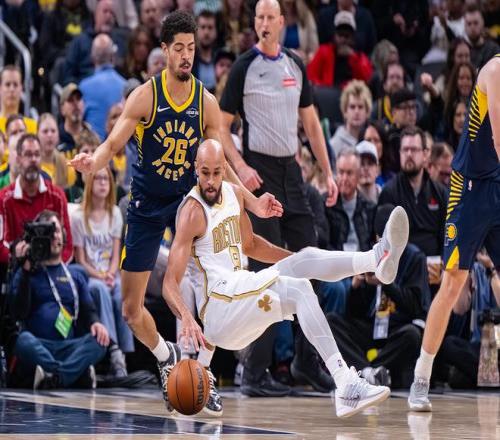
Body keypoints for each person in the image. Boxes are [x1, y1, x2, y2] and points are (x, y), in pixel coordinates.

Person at [69, 10, 282, 412]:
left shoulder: (206, 102)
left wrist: (252, 201)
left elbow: (221, 166)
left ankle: (203, 372)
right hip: (148, 204)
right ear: (165, 50)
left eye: (191, 48)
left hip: (190, 202)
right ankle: (166, 357)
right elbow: (112, 144)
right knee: (131, 310)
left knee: (217, 287)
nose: (186, 55)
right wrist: (93, 162)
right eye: (179, 48)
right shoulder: (145, 96)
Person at [162, 139, 410, 418]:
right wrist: (186, 316)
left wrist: (297, 262)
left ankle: (376, 260)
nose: (210, 181)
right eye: (204, 172)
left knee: (305, 258)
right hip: (219, 309)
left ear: (224, 169)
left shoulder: (234, 194)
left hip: (240, 299)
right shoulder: (192, 212)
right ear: (196, 168)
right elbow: (169, 282)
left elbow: (250, 245)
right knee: (301, 289)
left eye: (216, 172)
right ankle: (345, 385)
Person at [220, 0, 337, 396]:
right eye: (260, 17)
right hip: (258, 170)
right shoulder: (243, 67)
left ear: (283, 23)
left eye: (271, 17)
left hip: (292, 171)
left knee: (310, 261)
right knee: (266, 271)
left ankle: (307, 360)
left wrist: (328, 171)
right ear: (254, 23)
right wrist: (240, 166)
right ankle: (255, 372)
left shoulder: (295, 65)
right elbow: (221, 127)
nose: (266, 23)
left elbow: (311, 124)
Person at [408, 54, 500, 412]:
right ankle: (421, 377)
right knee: (452, 283)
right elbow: (498, 141)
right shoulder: (495, 70)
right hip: (471, 188)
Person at [11, 210, 109, 390]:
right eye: (47, 232)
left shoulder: (76, 273)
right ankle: (72, 373)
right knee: (22, 340)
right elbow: (19, 313)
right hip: (40, 346)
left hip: (70, 347)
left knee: (99, 341)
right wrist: (24, 270)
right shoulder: (28, 272)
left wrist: (96, 323)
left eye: (56, 230)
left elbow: (89, 309)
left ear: (63, 235)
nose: (53, 236)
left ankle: (54, 377)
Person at [71, 167, 133, 378]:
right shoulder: (78, 217)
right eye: (98, 178)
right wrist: (100, 276)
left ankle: (124, 352)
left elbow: (116, 253)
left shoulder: (114, 213)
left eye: (106, 179)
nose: (103, 183)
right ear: (89, 183)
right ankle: (113, 350)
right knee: (101, 291)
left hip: (110, 273)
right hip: (90, 275)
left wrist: (111, 273)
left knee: (121, 293)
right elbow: (80, 259)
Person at [0, 134, 73, 267]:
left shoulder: (57, 195)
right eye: (28, 154)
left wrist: (53, 264)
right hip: (18, 267)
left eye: (37, 154)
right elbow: (1, 247)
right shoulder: (4, 199)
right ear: (18, 159)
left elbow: (67, 245)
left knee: (79, 273)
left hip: (52, 266)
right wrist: (17, 257)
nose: (33, 159)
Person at [79, 34, 126, 140]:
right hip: (119, 145)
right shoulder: (124, 85)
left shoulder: (84, 86)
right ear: (112, 55)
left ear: (92, 56)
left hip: (94, 147)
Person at [0, 66, 37, 135]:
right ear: (0, 88)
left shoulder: (33, 127)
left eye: (15, 85)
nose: (12, 89)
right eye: (7, 84)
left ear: (21, 88)